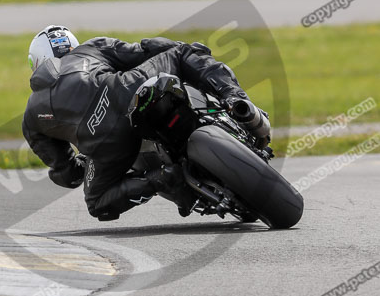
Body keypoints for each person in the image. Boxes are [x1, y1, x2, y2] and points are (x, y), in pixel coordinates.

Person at [22, 25, 270, 222]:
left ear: (36, 62)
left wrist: (85, 163)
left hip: (102, 141)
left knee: (98, 202)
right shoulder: (91, 48)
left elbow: (68, 175)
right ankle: (237, 102)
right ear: (71, 46)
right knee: (183, 52)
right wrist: (193, 53)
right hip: (125, 89)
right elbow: (146, 49)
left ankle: (162, 178)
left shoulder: (31, 116)